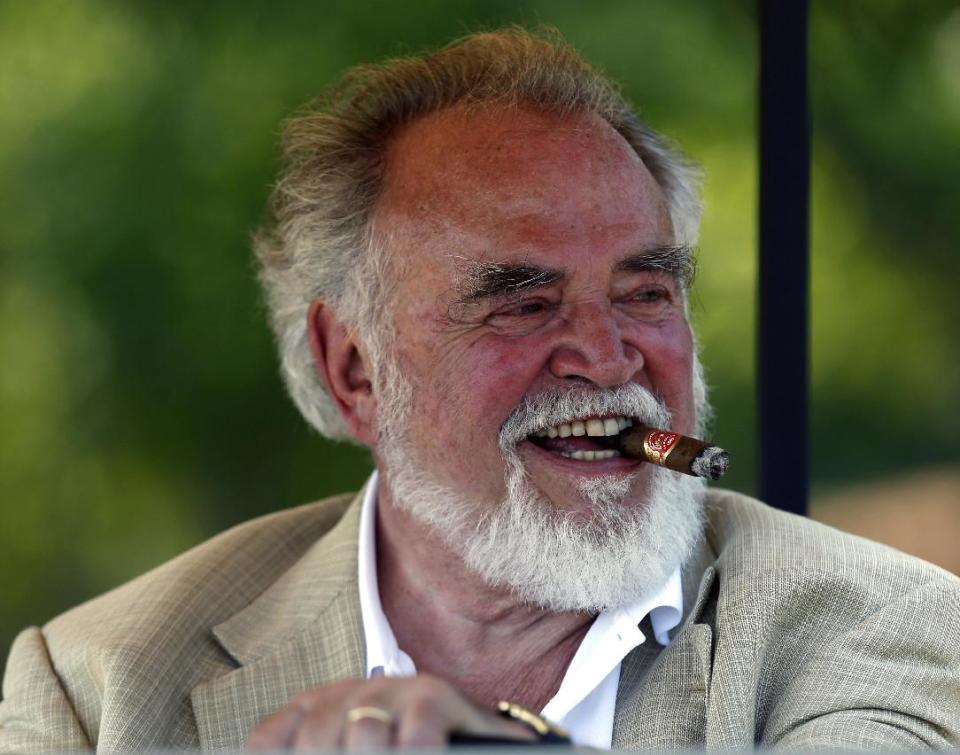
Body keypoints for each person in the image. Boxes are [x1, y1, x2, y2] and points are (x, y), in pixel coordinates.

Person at [1, 27, 958, 753]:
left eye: (645, 292)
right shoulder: (97, 688)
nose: (609, 357)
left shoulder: (879, 626)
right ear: (354, 369)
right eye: (523, 302)